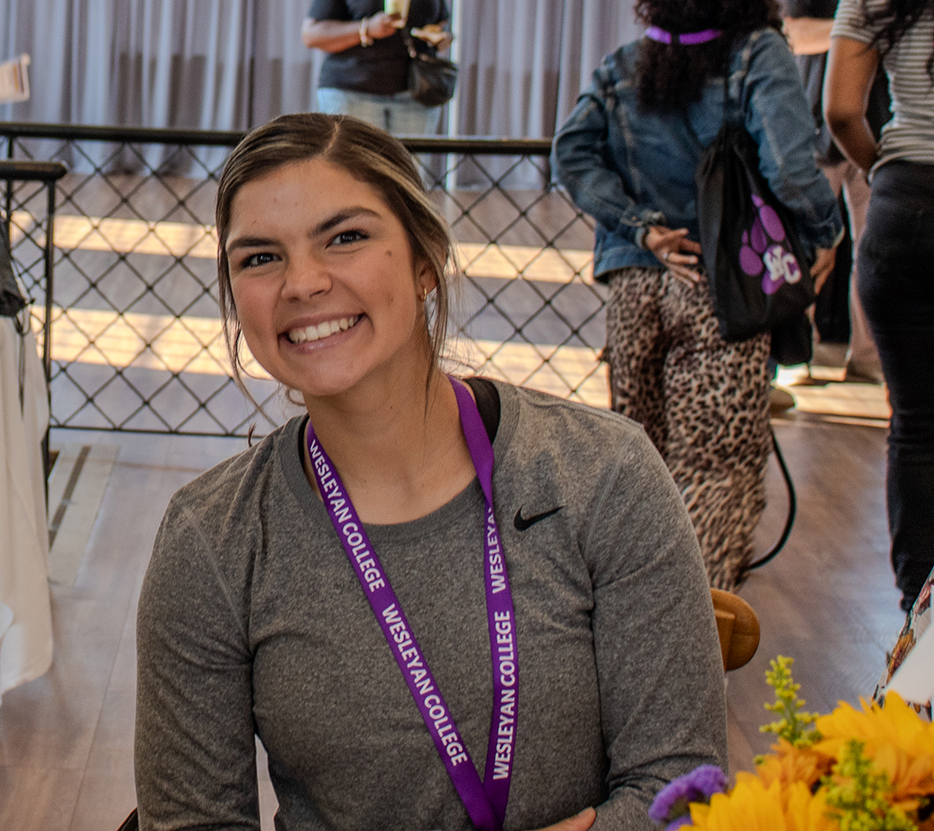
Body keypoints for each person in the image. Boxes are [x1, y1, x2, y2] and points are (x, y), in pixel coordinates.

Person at [134, 113, 726, 831]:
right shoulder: (211, 537)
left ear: (425, 261)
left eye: (345, 237)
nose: (303, 283)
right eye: (259, 257)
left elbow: (683, 789)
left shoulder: (603, 473)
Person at [553, 0, 841, 590]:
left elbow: (571, 155)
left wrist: (640, 228)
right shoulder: (758, 54)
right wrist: (826, 234)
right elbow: (790, 169)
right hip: (723, 287)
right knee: (714, 473)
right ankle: (699, 628)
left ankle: (633, 617)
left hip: (635, 289)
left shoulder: (623, 64)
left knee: (637, 470)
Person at [825, 0, 934, 610]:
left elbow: (841, 109)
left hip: (905, 207)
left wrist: (884, 171)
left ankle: (920, 620)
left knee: (921, 432)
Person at [784, 0, 888, 384]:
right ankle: (795, 356)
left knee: (875, 253)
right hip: (811, 131)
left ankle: (867, 356)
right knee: (803, 251)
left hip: (876, 131)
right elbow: (792, 33)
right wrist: (855, 29)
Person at [301, 0, 453, 135]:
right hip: (352, 91)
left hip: (417, 93)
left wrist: (440, 37)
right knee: (359, 159)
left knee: (410, 159)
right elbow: (311, 34)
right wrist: (366, 28)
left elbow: (442, 23)